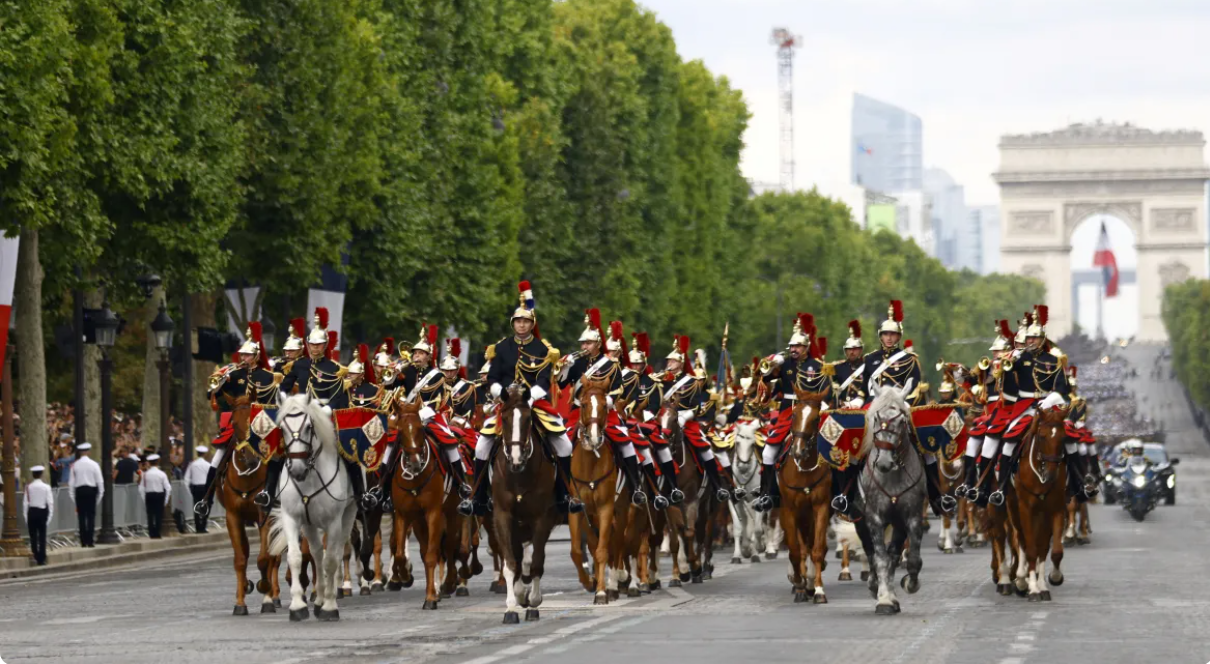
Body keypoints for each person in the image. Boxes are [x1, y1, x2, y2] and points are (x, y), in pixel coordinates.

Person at [463, 281, 583, 517]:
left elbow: (544, 378)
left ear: (531, 324)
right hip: (506, 404)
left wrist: (530, 398)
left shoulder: (541, 348)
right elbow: (493, 377)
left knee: (564, 444)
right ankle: (477, 497)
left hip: (534, 404)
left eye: (526, 321)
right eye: (518, 321)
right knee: (482, 444)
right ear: (513, 324)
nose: (521, 324)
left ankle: (563, 494)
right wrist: (502, 394)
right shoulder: (501, 348)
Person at [276, 308, 368, 509]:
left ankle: (361, 493)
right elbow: (285, 384)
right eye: (311, 344)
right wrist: (282, 397)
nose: (313, 348)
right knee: (279, 448)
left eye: (318, 345)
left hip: (326, 418)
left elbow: (339, 395)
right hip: (303, 416)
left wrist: (327, 409)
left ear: (325, 345)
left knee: (348, 451)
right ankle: (271, 492)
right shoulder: (300, 365)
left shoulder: (334, 368)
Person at [558, 311, 646, 506]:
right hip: (579, 412)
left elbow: (619, 389)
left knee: (626, 443)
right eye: (582, 343)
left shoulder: (611, 366)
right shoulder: (577, 362)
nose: (583, 346)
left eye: (587, 343)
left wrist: (606, 401)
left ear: (598, 344)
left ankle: (636, 487)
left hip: (605, 412)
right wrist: (565, 368)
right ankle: (562, 490)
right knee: (560, 444)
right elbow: (562, 384)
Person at [753, 313, 831, 513]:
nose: (794, 350)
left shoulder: (818, 366)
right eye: (792, 347)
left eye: (798, 346)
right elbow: (763, 376)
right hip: (788, 412)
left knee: (834, 446)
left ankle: (838, 493)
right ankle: (767, 494)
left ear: (806, 348)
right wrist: (772, 361)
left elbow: (826, 389)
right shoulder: (785, 364)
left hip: (812, 411)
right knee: (768, 451)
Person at [69, 442, 103, 547]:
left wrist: (73, 497)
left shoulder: (75, 465)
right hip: (91, 491)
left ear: (79, 452)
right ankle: (90, 540)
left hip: (80, 491)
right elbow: (99, 481)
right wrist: (100, 495)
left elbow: (71, 483)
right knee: (91, 516)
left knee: (82, 517)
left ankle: (83, 541)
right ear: (88, 451)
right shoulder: (94, 464)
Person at [24, 465, 53, 565]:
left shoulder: (28, 487)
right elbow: (50, 503)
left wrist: (25, 516)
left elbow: (25, 503)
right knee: (42, 536)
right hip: (42, 511)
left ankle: (35, 555)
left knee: (33, 537)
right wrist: (49, 517)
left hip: (32, 512)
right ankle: (42, 557)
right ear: (41, 474)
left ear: (33, 475)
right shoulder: (46, 487)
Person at [140, 453, 172, 539]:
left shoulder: (146, 474)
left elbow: (141, 488)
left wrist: (144, 498)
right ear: (158, 462)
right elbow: (168, 488)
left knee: (150, 515)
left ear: (149, 463)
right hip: (159, 495)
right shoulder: (162, 474)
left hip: (149, 495)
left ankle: (151, 533)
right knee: (158, 515)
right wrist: (165, 500)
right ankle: (157, 532)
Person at [185, 446, 211, 533]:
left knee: (196, 507)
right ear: (204, 454)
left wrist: (189, 491)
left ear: (197, 453)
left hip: (195, 488)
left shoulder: (192, 464)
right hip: (205, 488)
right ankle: (203, 526)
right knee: (205, 507)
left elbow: (186, 479)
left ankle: (197, 527)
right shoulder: (208, 465)